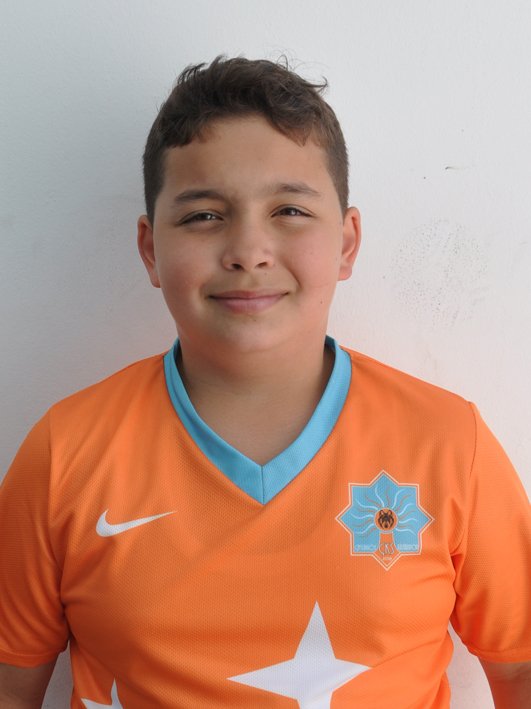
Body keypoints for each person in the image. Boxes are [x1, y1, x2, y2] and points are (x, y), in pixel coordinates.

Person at [0, 55, 529, 709]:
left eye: (289, 209)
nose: (248, 251)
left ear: (346, 243)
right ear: (150, 249)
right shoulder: (64, 453)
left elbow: (520, 672)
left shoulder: (449, 444)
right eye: (204, 216)